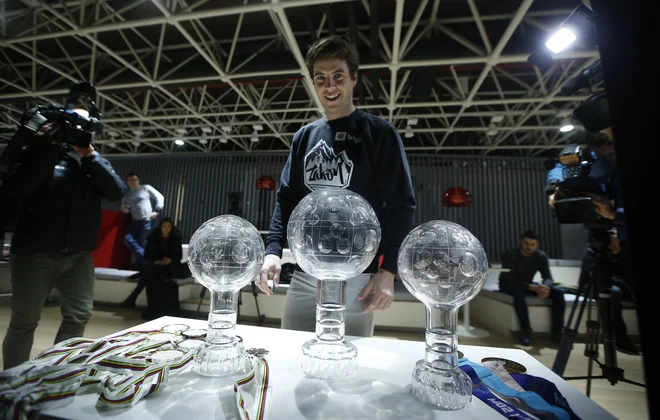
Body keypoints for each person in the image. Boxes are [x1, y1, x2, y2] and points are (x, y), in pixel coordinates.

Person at [254, 34, 417, 337]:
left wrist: (388, 271)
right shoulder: (304, 137)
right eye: (321, 78)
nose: (330, 86)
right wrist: (273, 251)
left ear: (354, 78)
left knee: (349, 366)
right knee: (293, 354)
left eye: (338, 76)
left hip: (357, 277)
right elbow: (287, 199)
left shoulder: (380, 134)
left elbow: (402, 205)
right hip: (305, 274)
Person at [1, 118, 126, 370]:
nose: (82, 132)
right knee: (25, 321)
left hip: (79, 254)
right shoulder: (39, 153)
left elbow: (116, 191)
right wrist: (48, 146)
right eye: (75, 126)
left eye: (87, 129)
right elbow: (18, 186)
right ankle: (12, 383)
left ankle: (55, 372)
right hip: (35, 252)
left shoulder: (92, 162)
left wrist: (90, 156)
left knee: (78, 315)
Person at [548, 128, 640, 355]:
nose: (607, 156)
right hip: (600, 243)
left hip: (623, 244)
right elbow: (555, 173)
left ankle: (618, 338)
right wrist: (557, 190)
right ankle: (614, 338)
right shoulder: (590, 164)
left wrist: (615, 216)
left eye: (609, 152)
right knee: (601, 292)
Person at [498, 230, 566, 346]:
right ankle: (526, 331)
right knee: (518, 293)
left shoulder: (541, 256)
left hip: (528, 285)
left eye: (532, 244)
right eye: (526, 243)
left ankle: (557, 332)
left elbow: (548, 277)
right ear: (521, 242)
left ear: (537, 245)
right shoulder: (510, 255)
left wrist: (545, 287)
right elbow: (510, 278)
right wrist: (533, 288)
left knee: (558, 293)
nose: (529, 247)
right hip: (508, 284)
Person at [139, 217, 188, 320]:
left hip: (171, 266)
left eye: (168, 226)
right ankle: (154, 310)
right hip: (155, 265)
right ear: (160, 227)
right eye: (164, 226)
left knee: (168, 283)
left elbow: (178, 256)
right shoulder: (153, 238)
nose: (166, 229)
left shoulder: (175, 238)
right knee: (152, 278)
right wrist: (156, 261)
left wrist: (170, 260)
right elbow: (147, 255)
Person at [120, 172, 164, 273]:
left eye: (134, 180)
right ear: (127, 182)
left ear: (138, 180)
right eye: (130, 180)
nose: (132, 182)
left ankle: (143, 267)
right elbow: (125, 209)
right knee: (128, 239)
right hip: (135, 221)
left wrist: (157, 210)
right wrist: (124, 208)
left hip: (147, 220)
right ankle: (148, 261)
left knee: (144, 242)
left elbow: (159, 197)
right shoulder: (127, 195)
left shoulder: (145, 188)